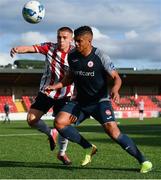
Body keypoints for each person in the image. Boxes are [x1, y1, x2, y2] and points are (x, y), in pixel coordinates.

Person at [45, 26, 152, 173]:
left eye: (79, 41)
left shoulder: (100, 56)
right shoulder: (72, 56)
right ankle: (89, 148)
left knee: (113, 132)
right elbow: (69, 78)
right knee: (59, 122)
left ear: (89, 41)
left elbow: (116, 78)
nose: (76, 44)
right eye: (75, 41)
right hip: (80, 102)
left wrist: (115, 90)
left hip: (99, 101)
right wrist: (55, 86)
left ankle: (144, 161)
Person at [10, 26, 74, 165]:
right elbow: (32, 48)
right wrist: (18, 49)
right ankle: (50, 132)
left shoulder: (76, 53)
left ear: (71, 39)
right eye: (59, 37)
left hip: (65, 95)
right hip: (46, 91)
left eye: (64, 37)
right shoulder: (49, 48)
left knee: (62, 125)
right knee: (31, 119)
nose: (61, 40)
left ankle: (62, 153)